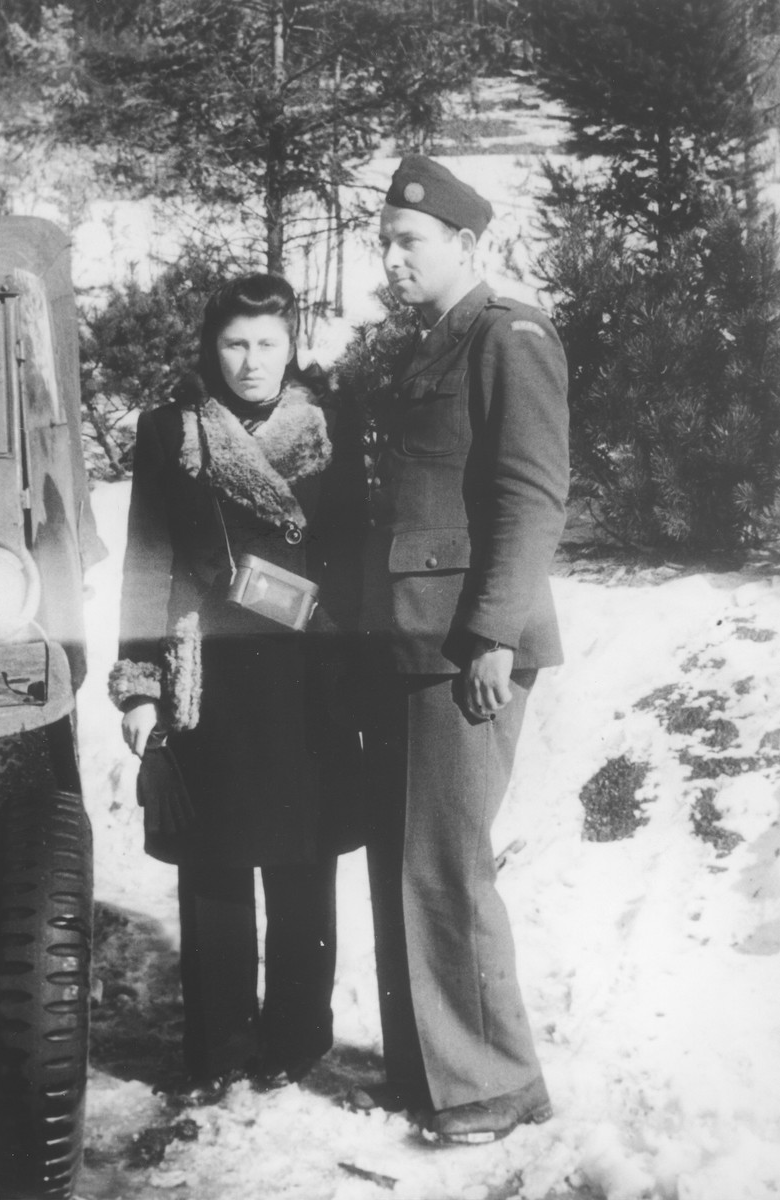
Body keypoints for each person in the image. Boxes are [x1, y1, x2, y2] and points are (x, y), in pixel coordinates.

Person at [109, 273, 365, 1101]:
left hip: (307, 679)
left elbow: (357, 564)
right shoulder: (168, 431)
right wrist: (140, 684)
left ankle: (296, 1038)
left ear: (292, 347)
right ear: (209, 347)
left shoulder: (334, 430)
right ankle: (217, 1045)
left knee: (303, 865)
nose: (249, 362)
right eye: (233, 344)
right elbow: (148, 562)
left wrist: (358, 678)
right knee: (213, 869)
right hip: (206, 677)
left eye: (266, 344)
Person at [357, 155, 570, 1145]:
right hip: (410, 641)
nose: (391, 258)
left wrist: (491, 634)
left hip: (463, 649)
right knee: (409, 864)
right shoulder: (432, 345)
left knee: (446, 866)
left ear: (466, 244)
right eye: (386, 243)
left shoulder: (505, 337)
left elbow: (529, 499)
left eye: (409, 242)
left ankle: (495, 1082)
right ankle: (433, 1072)